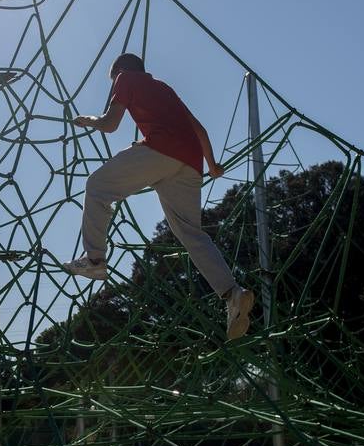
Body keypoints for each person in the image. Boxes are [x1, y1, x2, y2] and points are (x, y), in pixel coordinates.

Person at [63, 53, 256, 340]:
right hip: (191, 163)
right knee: (192, 234)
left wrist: (88, 121)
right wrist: (213, 165)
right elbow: (199, 129)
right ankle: (232, 294)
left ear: (119, 72)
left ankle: (94, 260)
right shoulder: (164, 88)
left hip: (162, 151)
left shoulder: (125, 78)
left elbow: (110, 123)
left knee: (97, 187)